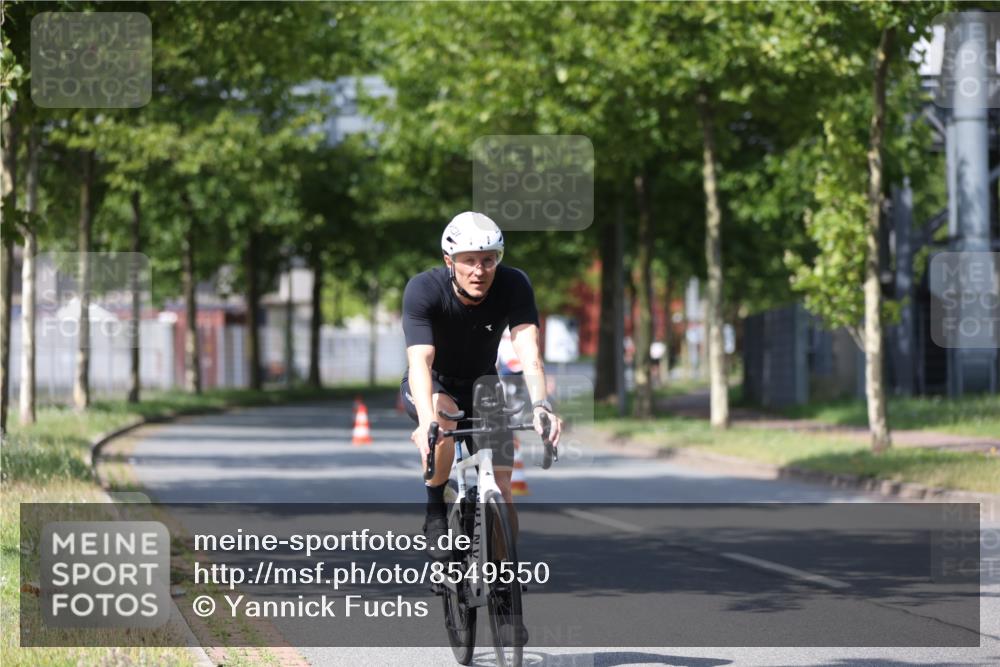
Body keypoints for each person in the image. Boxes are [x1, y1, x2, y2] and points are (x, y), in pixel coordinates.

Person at [399, 211, 563, 561]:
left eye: (488, 260)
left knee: (503, 490)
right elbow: (420, 362)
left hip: (484, 386)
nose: (479, 270)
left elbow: (528, 351)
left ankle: (504, 577)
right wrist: (427, 420)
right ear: (449, 261)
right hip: (434, 382)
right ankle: (435, 511)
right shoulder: (424, 289)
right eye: (469, 260)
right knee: (443, 419)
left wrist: (540, 406)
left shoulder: (514, 284)